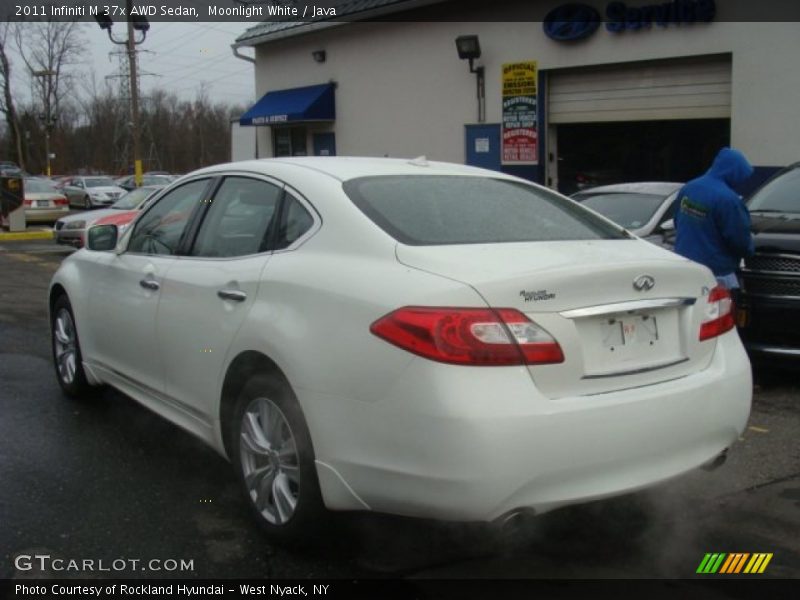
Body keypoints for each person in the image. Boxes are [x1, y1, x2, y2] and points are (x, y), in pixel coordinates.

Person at [674, 147, 754, 291]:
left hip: (685, 269)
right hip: (716, 274)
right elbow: (739, 240)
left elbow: (677, 222)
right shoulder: (728, 199)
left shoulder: (689, 188)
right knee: (719, 312)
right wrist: (750, 250)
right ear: (734, 173)